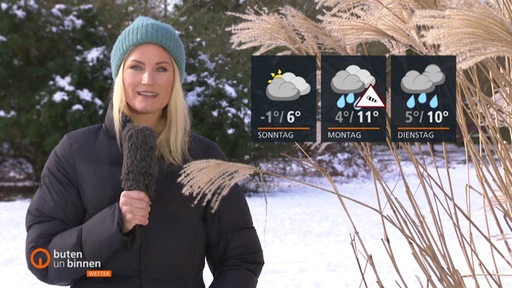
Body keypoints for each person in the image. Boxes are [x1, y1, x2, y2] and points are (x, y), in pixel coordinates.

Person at [25, 16, 264, 288]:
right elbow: (44, 259)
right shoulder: (75, 151)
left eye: (161, 69)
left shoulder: (204, 157)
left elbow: (241, 258)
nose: (148, 80)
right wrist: (115, 222)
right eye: (136, 67)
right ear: (120, 74)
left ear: (175, 78)